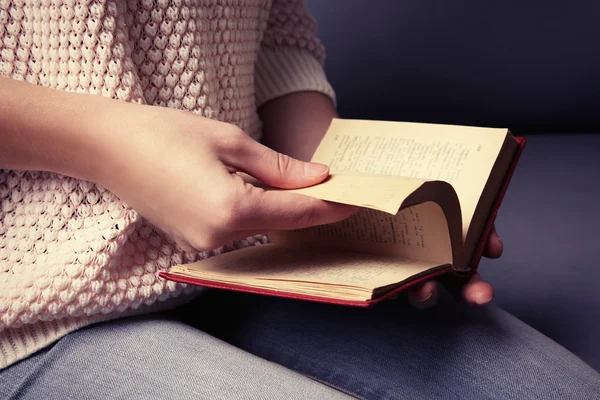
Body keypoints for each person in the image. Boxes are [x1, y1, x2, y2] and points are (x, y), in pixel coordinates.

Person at [1, 1, 599, 398]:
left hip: (257, 263)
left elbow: (272, 37)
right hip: (35, 312)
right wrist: (111, 145)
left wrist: (358, 216)